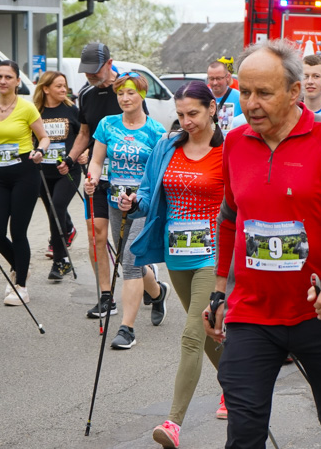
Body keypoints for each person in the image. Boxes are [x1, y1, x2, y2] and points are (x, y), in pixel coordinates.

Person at [203, 38, 321, 449]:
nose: (251, 104)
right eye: (244, 92)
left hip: (320, 310)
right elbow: (229, 219)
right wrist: (218, 292)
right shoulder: (234, 142)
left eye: (263, 93)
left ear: (295, 91)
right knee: (243, 434)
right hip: (253, 314)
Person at [117, 80, 228, 448]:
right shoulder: (167, 146)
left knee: (192, 334)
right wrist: (134, 203)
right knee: (209, 327)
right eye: (180, 115)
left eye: (193, 113)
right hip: (177, 254)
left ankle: (174, 423)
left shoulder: (229, 151)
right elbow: (149, 195)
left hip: (214, 254)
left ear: (212, 109)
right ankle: (237, 386)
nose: (186, 121)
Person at [63, 43, 158, 318]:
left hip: (129, 181)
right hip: (99, 177)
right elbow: (84, 133)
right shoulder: (87, 94)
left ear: (109, 64)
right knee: (96, 234)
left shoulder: (130, 91)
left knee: (128, 251)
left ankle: (154, 290)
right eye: (86, 71)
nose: (90, 75)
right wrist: (71, 159)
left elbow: (143, 135)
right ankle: (106, 295)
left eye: (94, 70)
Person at [84, 71, 169, 344]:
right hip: (114, 202)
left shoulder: (156, 131)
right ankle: (157, 293)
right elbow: (97, 160)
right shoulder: (107, 125)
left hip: (143, 205)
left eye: (130, 92)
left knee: (131, 262)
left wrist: (145, 198)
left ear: (142, 94)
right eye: (120, 93)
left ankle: (126, 329)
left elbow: (159, 173)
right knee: (128, 259)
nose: (124, 98)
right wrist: (92, 177)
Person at [0, 60, 51, 305]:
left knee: (17, 231)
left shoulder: (27, 108)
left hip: (25, 171)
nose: (2, 81)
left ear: (17, 82)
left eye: (8, 77)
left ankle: (20, 286)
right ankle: (20, 266)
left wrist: (40, 151)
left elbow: (43, 137)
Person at [34, 71, 79, 281]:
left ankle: (61, 261)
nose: (63, 90)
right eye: (59, 86)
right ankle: (68, 228)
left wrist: (83, 153)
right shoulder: (35, 111)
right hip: (44, 172)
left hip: (67, 171)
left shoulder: (72, 110)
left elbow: (86, 136)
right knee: (53, 211)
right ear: (46, 89)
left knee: (57, 207)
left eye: (65, 86)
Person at [208, 58, 242, 133]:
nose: (215, 83)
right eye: (211, 79)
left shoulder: (239, 98)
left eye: (218, 78)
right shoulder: (202, 97)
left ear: (228, 77)